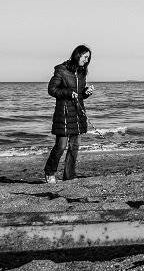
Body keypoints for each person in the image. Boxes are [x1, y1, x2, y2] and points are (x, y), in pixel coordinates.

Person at [43, 44, 95, 182]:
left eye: (88, 58)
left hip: (78, 113)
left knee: (75, 146)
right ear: (78, 55)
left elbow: (79, 95)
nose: (86, 60)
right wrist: (67, 92)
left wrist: (86, 93)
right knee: (60, 146)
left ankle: (69, 176)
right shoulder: (62, 70)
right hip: (64, 113)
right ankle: (49, 172)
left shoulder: (82, 72)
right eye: (85, 57)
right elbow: (52, 89)